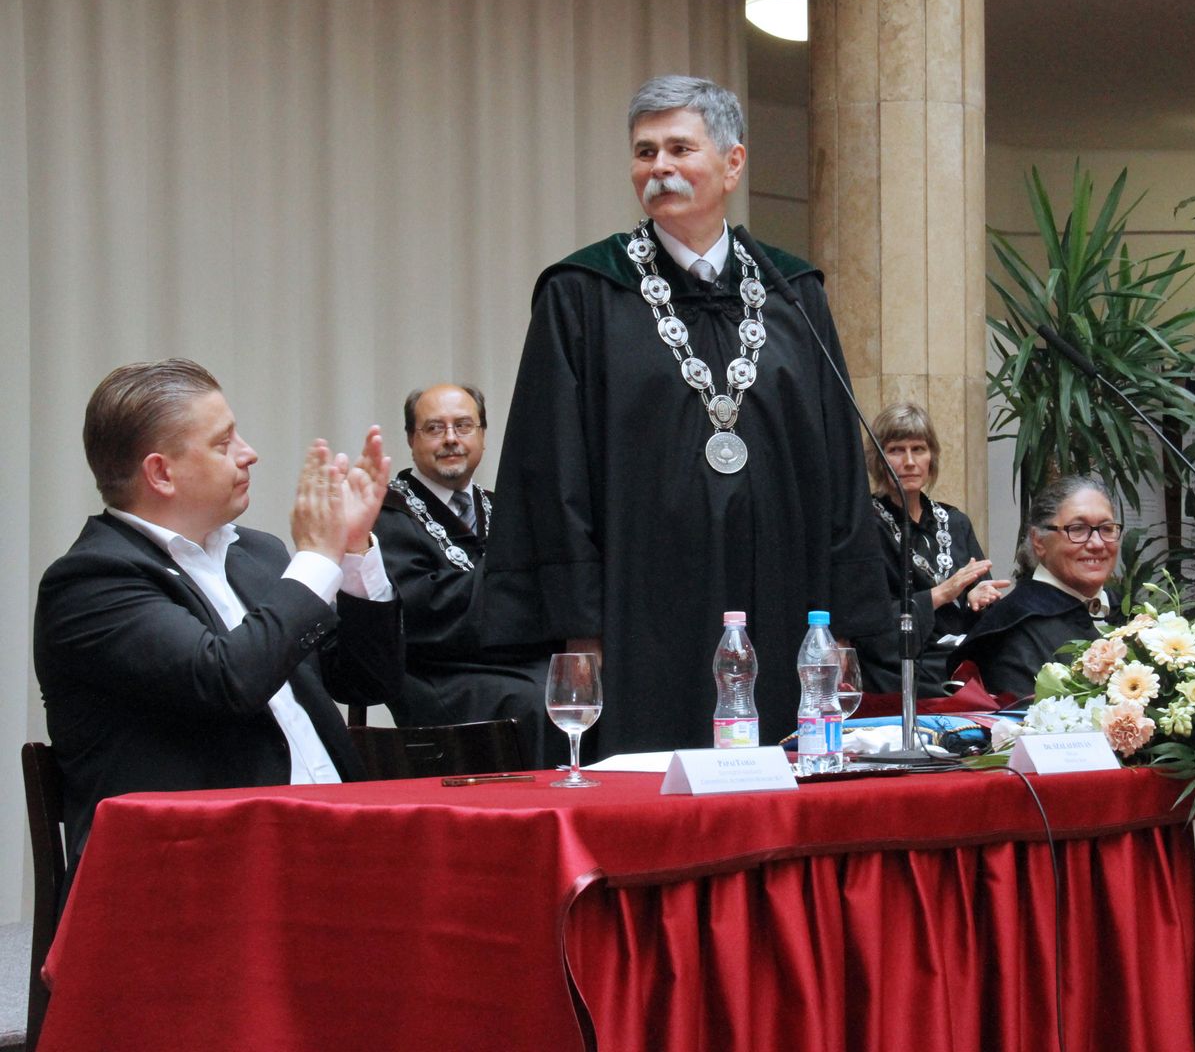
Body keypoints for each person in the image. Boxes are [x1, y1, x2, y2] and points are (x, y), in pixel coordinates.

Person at [484, 75, 890, 756]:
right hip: (637, 608)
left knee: (779, 777)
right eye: (644, 153)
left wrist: (843, 622)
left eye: (679, 149)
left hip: (782, 598)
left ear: (733, 163)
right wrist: (580, 624)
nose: (659, 168)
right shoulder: (583, 293)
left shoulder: (794, 294)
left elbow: (839, 466)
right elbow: (552, 468)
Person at [34, 359, 402, 872]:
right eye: (224, 443)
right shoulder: (91, 582)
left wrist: (354, 550)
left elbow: (365, 681)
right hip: (197, 867)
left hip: (332, 840)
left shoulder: (258, 554)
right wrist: (319, 558)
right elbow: (227, 678)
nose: (249, 454)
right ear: (161, 473)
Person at [374, 384, 555, 767]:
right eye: (434, 428)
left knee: (585, 686)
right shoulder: (385, 514)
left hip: (512, 662)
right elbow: (421, 610)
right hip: (438, 675)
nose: (451, 439)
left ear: (483, 436)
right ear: (411, 439)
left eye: (463, 426)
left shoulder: (504, 509)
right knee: (537, 701)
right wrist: (515, 586)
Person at [856, 402, 1007, 698]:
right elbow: (870, 623)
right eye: (896, 450)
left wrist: (977, 600)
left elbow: (977, 612)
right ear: (878, 459)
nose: (909, 461)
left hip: (960, 658)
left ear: (931, 457)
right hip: (899, 666)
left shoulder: (955, 522)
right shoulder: (864, 527)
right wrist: (942, 594)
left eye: (918, 449)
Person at [950, 475, 1120, 702]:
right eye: (1078, 529)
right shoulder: (1013, 630)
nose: (1097, 543)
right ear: (1038, 541)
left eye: (1107, 529)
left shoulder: (1132, 617)